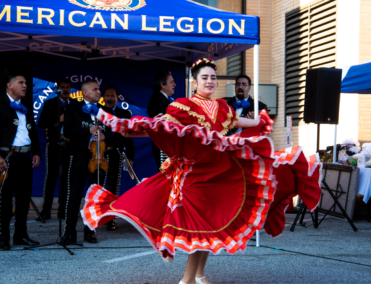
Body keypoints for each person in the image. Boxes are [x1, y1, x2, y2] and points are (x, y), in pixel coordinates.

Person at [81, 58, 321, 284]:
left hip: (218, 173)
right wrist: (121, 123)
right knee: (199, 227)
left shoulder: (222, 107)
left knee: (212, 226)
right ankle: (186, 280)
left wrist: (260, 121)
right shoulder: (183, 105)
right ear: (194, 81)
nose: (210, 81)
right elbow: (161, 125)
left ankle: (198, 275)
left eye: (213, 77)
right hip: (193, 176)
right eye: (205, 77)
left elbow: (238, 122)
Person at [0, 74, 41, 250]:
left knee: (24, 200)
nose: (25, 86)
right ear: (9, 85)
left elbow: (32, 132)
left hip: (25, 157)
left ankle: (21, 235)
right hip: (7, 158)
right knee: (5, 200)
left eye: (26, 83)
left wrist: (36, 151)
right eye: (21, 83)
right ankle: (4, 237)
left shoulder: (25, 107)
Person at [63, 79, 107, 244]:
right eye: (95, 89)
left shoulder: (103, 110)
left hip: (98, 158)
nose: (98, 92)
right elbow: (67, 130)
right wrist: (87, 130)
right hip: (80, 156)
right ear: (85, 92)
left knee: (95, 197)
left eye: (99, 89)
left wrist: (105, 136)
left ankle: (90, 231)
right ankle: (69, 231)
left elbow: (113, 132)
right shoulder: (73, 108)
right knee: (74, 194)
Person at [36, 78, 77, 221]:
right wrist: (57, 120)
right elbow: (41, 123)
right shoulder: (50, 103)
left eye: (68, 87)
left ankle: (63, 210)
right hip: (54, 144)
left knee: (67, 178)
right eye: (63, 87)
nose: (65, 90)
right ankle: (46, 211)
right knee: (51, 177)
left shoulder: (77, 104)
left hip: (71, 146)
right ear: (57, 88)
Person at [102, 86, 135, 230]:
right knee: (98, 187)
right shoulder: (99, 112)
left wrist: (130, 157)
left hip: (116, 154)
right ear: (103, 97)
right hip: (99, 154)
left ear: (117, 98)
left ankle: (111, 218)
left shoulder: (125, 113)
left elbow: (128, 138)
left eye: (112, 96)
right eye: (107, 96)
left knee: (113, 187)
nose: (109, 98)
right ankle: (99, 216)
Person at [147, 70, 176, 168]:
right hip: (163, 147)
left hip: (167, 146)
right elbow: (169, 120)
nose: (174, 84)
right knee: (166, 177)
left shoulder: (164, 100)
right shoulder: (157, 99)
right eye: (171, 82)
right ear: (162, 85)